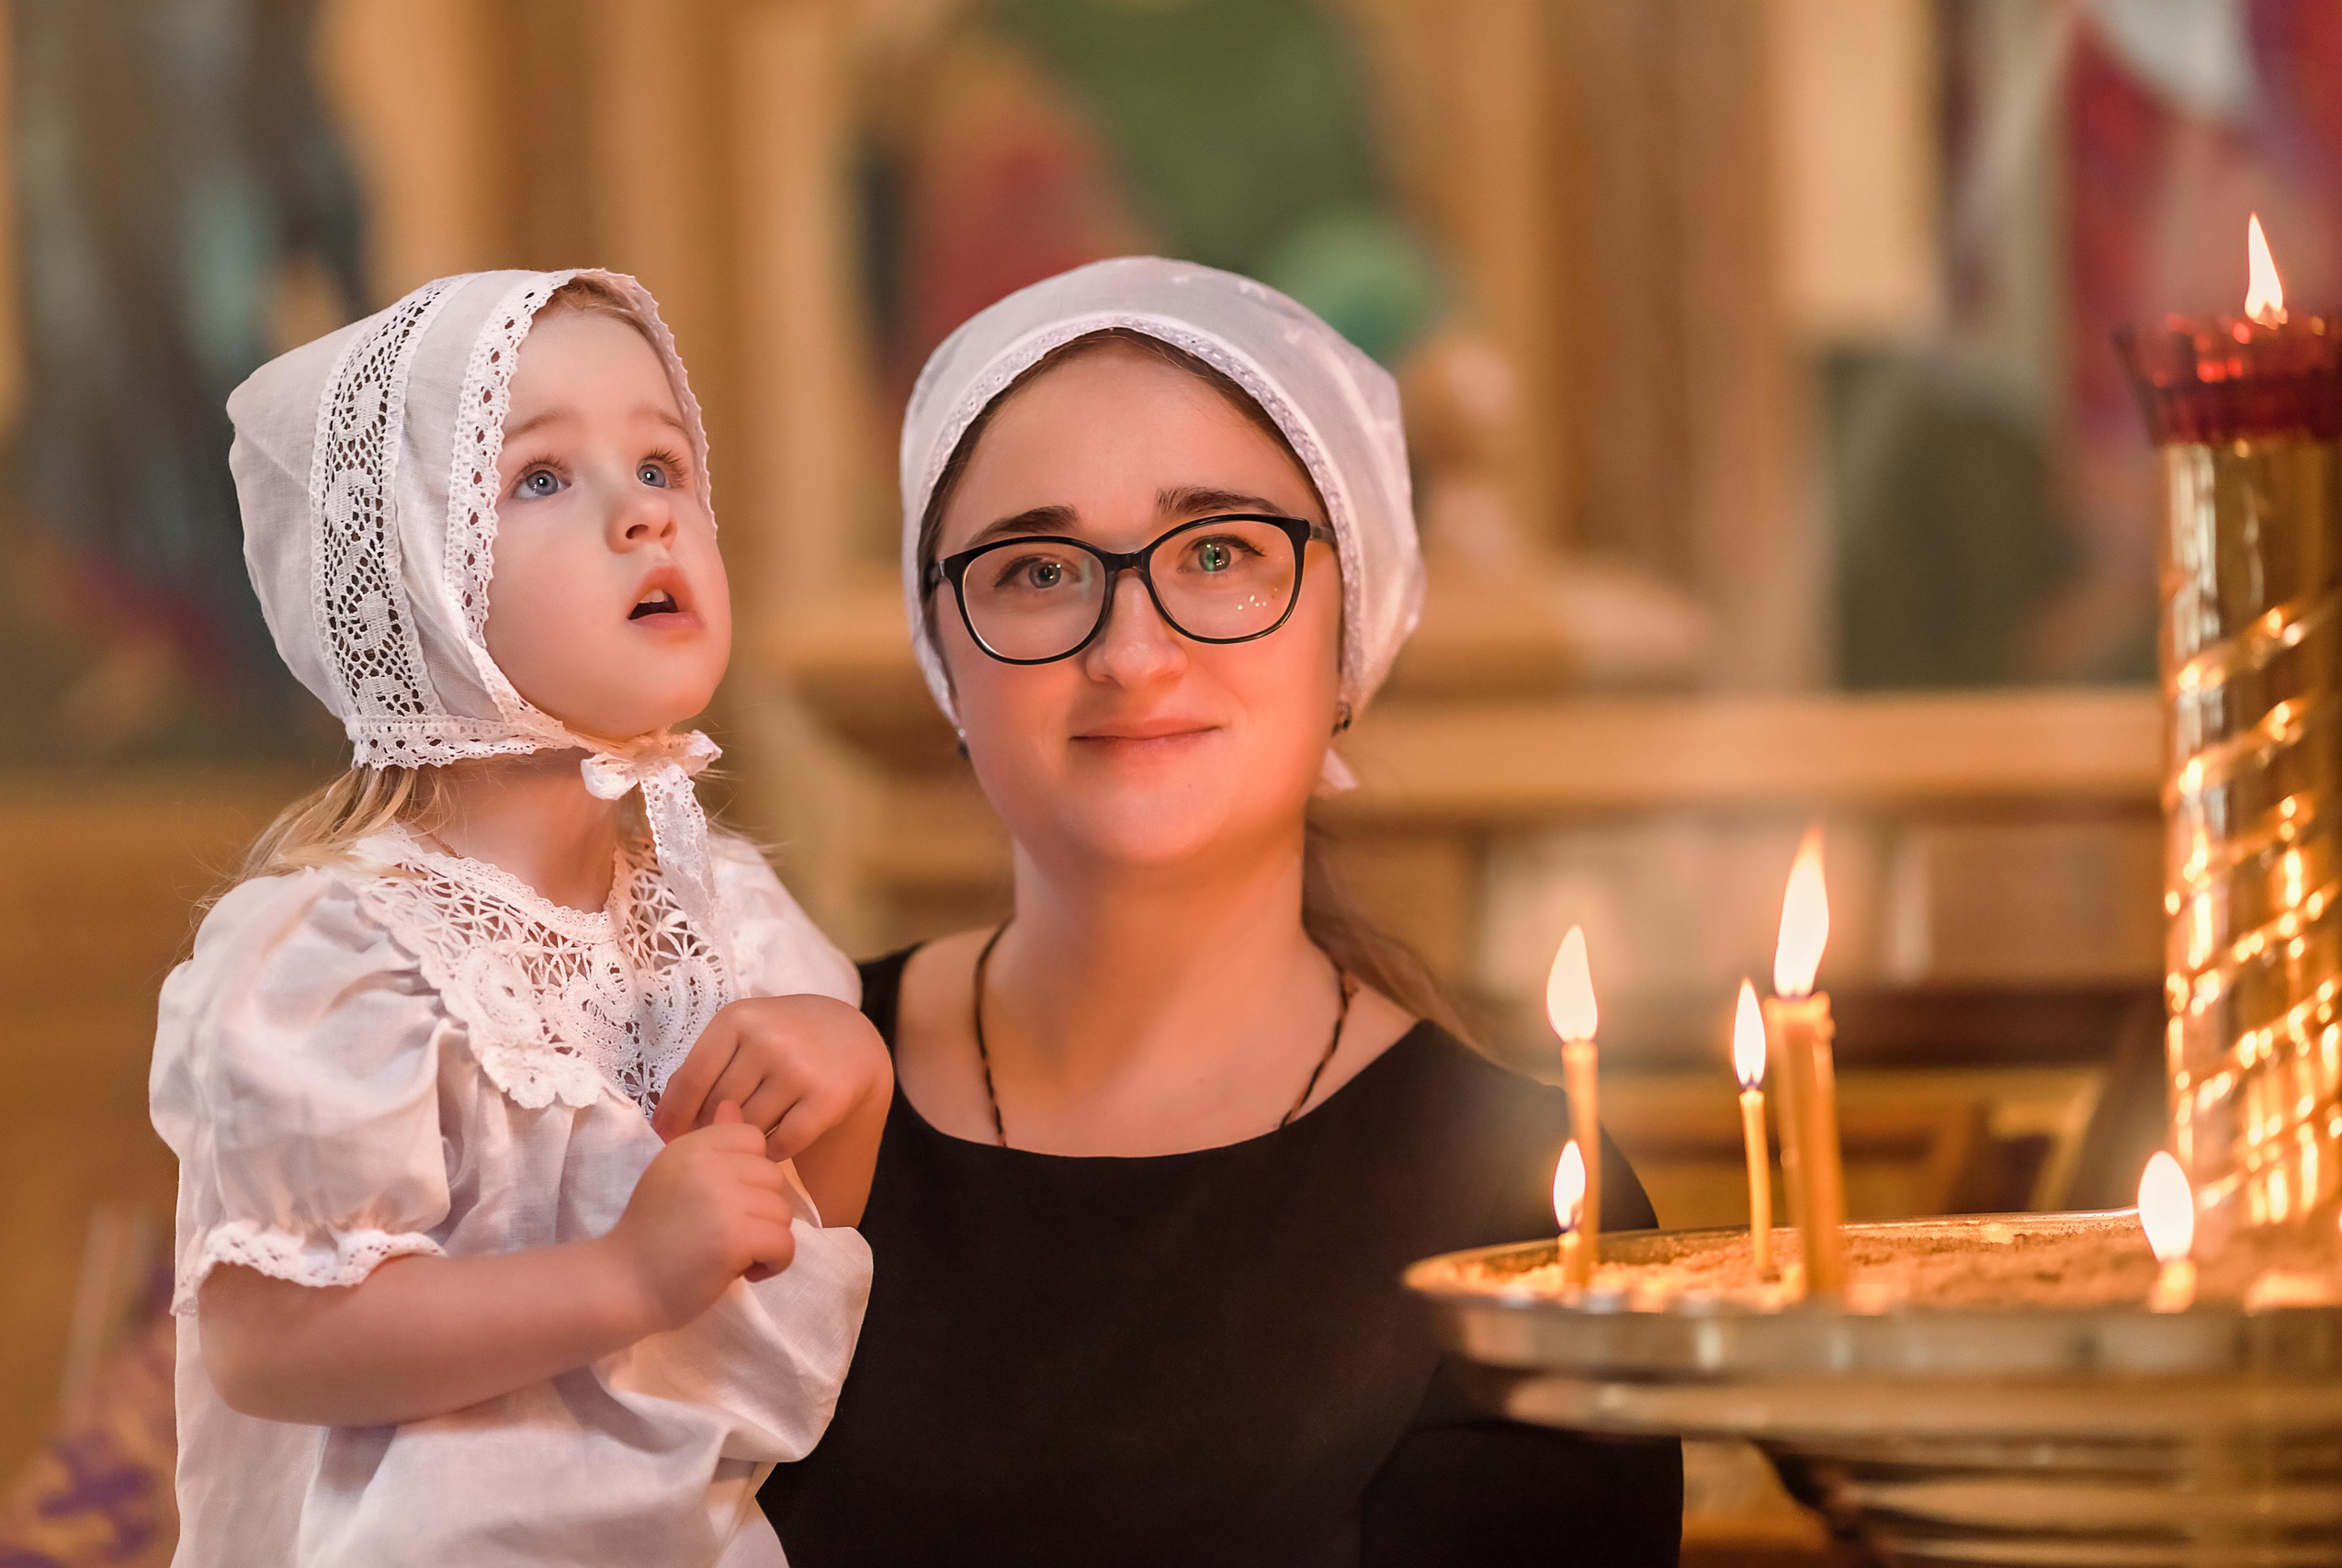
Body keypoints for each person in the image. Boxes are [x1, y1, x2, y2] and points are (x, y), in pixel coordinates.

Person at [761, 257, 1682, 1564]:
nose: (1131, 650)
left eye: (1218, 554)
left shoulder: (1532, 1206)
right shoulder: (771, 1099)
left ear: (1349, 633)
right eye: (1036, 570)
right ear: (947, 665)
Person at [151, 269, 892, 1567]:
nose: (643, 515)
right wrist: (622, 1280)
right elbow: (272, 1345)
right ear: (410, 585)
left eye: (663, 462)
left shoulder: (730, 921)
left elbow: (774, 1284)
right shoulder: (337, 954)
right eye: (539, 477)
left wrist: (851, 1091)